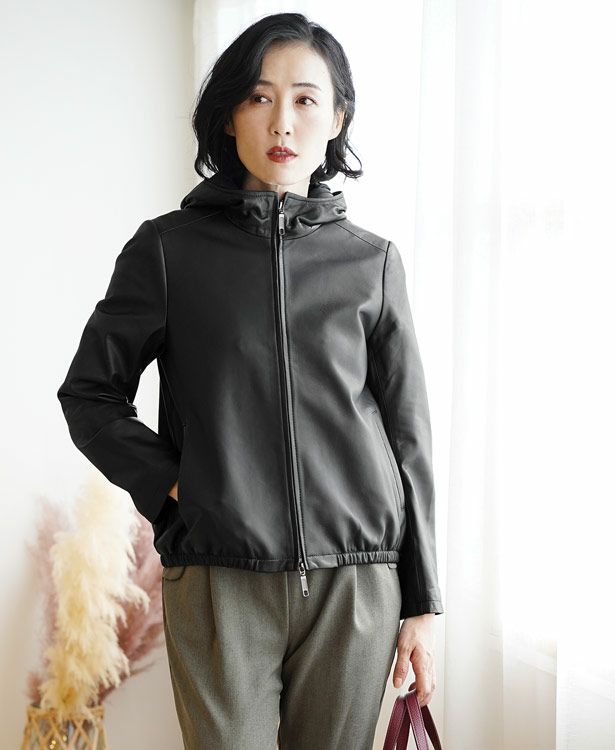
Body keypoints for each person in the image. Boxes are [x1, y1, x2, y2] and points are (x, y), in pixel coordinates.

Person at [57, 11, 444, 750]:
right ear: (230, 113)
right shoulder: (166, 251)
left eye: (305, 99)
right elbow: (89, 394)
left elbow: (409, 437)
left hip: (357, 581)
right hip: (219, 577)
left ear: (337, 118)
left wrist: (422, 602)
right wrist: (179, 486)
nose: (282, 121)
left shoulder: (371, 262)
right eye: (259, 97)